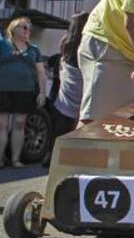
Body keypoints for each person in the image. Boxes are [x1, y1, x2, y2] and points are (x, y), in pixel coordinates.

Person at [43, 12, 90, 166]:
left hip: (64, 95)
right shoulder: (86, 45)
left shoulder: (66, 43)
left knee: (59, 133)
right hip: (81, 94)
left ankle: (51, 158)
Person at [0, 17, 47, 167]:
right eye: (24, 27)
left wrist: (42, 93)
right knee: (2, 124)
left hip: (25, 91)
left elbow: (41, 73)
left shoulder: (34, 50)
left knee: (20, 123)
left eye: (28, 28)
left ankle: (15, 159)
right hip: (3, 90)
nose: (27, 30)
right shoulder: (2, 45)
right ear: (13, 29)